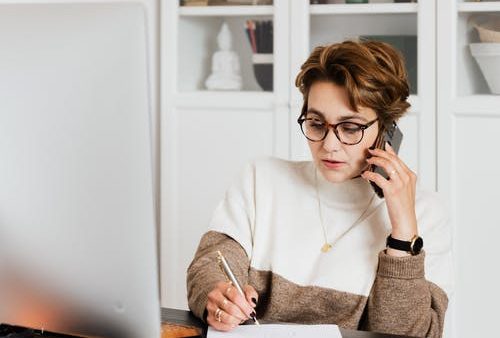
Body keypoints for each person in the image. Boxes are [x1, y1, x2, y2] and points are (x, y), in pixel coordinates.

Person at [186, 40, 452, 338]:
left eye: (350, 128)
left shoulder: (425, 215)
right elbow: (209, 266)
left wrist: (403, 237)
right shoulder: (260, 179)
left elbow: (408, 334)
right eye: (316, 123)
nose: (329, 145)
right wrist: (217, 294)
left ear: (387, 129)